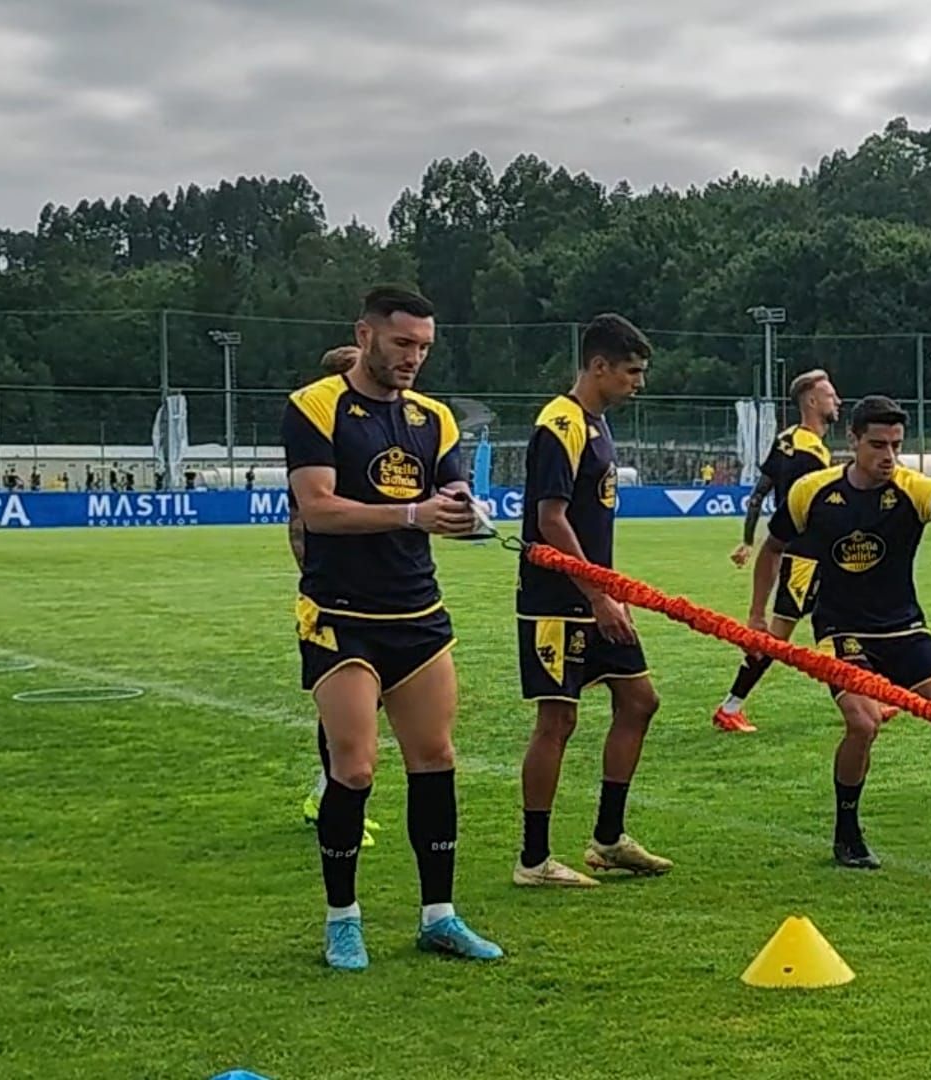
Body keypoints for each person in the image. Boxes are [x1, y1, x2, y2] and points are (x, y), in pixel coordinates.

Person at [283, 286, 501, 971]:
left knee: (435, 758)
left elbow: (450, 496)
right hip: (341, 615)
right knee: (353, 766)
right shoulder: (314, 406)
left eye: (424, 347)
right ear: (366, 335)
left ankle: (440, 916)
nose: (414, 358)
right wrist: (413, 514)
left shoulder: (434, 418)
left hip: (418, 613)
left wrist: (465, 512)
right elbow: (318, 509)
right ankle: (342, 921)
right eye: (403, 343)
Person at [761, 394, 931, 872]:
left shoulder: (914, 488)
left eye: (896, 445)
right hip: (842, 630)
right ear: (852, 441)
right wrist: (756, 615)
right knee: (863, 722)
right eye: (877, 445)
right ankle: (847, 833)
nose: (888, 456)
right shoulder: (813, 491)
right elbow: (773, 548)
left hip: (904, 627)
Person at [514, 313, 670, 888]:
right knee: (557, 720)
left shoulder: (596, 423)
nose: (638, 383)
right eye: (631, 371)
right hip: (556, 598)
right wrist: (599, 594)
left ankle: (608, 838)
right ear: (598, 366)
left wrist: (608, 592)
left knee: (639, 701)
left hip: (595, 594)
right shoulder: (560, 424)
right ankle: (534, 860)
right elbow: (550, 519)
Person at [713, 369, 843, 734]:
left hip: (803, 552)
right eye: (830, 395)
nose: (838, 401)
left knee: (839, 625)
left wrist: (749, 539)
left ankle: (865, 701)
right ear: (812, 402)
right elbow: (813, 512)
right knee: (778, 637)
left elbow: (759, 494)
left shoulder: (787, 439)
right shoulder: (810, 454)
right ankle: (730, 706)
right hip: (805, 556)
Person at [297, 344, 379, 849]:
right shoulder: (318, 434)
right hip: (337, 601)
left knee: (361, 713)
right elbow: (301, 524)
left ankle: (330, 793)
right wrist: (319, 580)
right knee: (343, 715)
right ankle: (328, 796)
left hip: (382, 597)